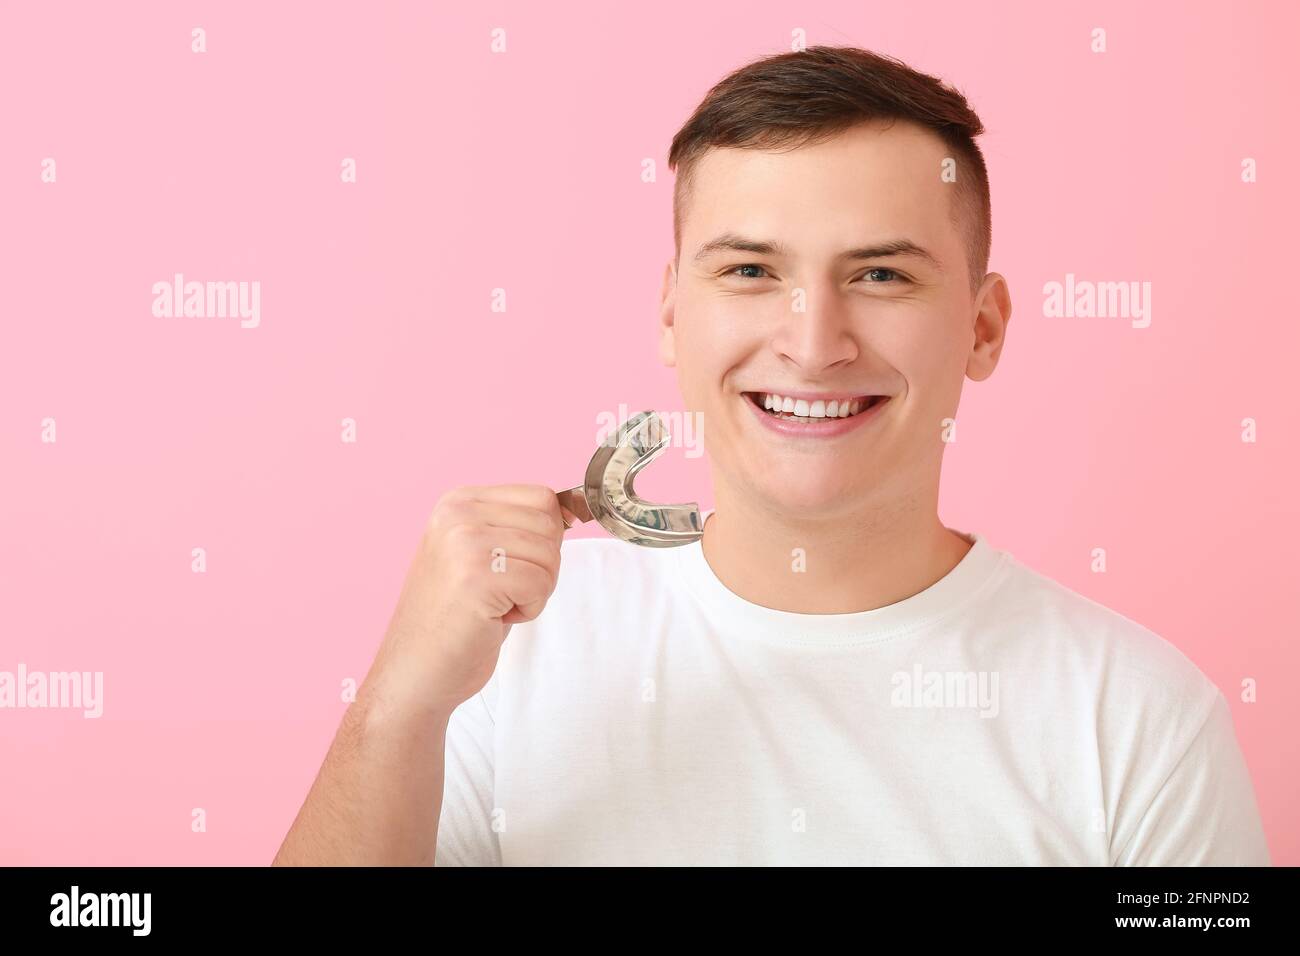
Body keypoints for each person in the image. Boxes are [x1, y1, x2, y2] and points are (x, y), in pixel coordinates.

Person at [273, 46, 1270, 866]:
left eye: (879, 272)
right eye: (750, 270)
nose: (811, 338)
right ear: (672, 313)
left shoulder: (1141, 722)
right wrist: (397, 706)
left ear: (982, 327)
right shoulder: (509, 654)